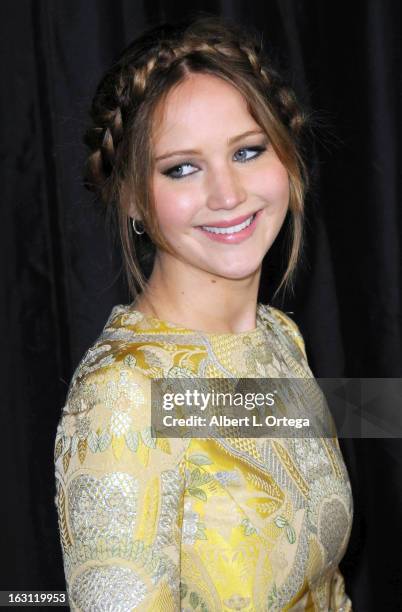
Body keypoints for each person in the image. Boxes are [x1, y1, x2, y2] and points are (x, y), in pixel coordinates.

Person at [54, 14, 353, 611]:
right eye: (182, 167)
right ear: (134, 196)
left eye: (247, 151)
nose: (227, 194)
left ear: (288, 160)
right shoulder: (124, 397)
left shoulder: (279, 337)